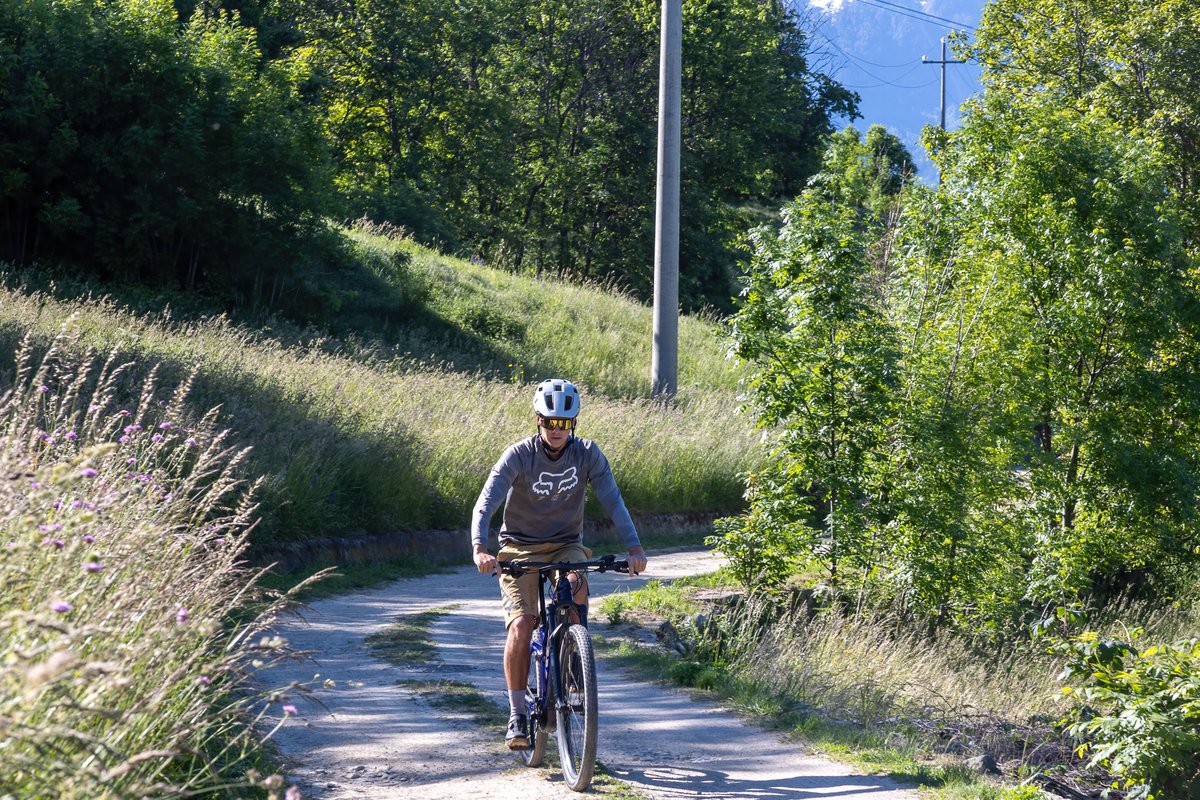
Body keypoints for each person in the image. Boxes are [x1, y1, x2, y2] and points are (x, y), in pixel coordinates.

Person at [471, 378, 648, 750]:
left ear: (574, 424)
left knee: (576, 587)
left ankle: (574, 667)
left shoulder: (587, 454)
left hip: (567, 545)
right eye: (550, 422)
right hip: (519, 548)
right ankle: (517, 713)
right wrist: (480, 547)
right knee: (522, 624)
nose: (556, 430)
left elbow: (613, 500)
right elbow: (486, 502)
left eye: (564, 424)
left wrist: (634, 547)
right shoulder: (518, 455)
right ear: (538, 420)